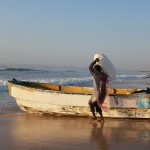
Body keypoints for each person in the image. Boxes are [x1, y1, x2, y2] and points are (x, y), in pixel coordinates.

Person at [88, 54, 108, 121]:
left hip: (97, 92)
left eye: (94, 69)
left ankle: (94, 116)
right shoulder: (105, 75)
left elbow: (89, 67)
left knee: (91, 102)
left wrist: (95, 61)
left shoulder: (95, 74)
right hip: (103, 92)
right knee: (96, 104)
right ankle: (101, 117)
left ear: (95, 70)